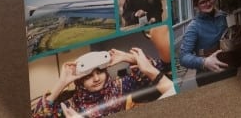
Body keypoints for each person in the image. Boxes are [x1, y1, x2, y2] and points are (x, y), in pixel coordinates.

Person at [31, 47, 172, 117]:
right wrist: (61, 83)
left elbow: (157, 70)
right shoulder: (71, 106)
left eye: (99, 72)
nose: (97, 79)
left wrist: (128, 58)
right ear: (79, 82)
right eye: (88, 77)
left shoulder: (119, 87)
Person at [178, 0, 232, 85]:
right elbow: (183, 57)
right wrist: (204, 62)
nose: (207, 4)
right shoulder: (193, 27)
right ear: (196, 7)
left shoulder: (223, 16)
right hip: (208, 75)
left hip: (228, 68)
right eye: (202, 2)